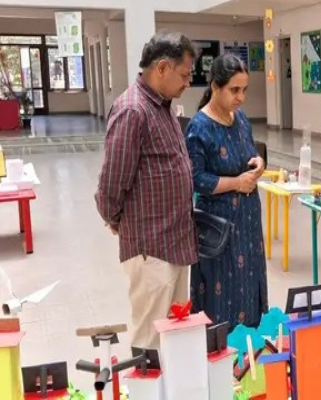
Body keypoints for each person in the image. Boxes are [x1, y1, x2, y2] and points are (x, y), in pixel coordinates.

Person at [95, 32, 197, 350]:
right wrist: (116, 219)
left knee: (175, 335)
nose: (188, 82)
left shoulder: (162, 107)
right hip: (151, 247)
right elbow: (112, 182)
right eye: (184, 75)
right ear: (162, 68)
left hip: (174, 241)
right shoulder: (133, 110)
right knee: (150, 340)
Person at [185, 53, 267, 329]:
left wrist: (259, 162)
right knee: (221, 297)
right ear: (215, 87)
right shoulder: (199, 127)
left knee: (249, 286)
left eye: (244, 90)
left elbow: (249, 153)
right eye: (234, 90)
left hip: (248, 224)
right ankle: (221, 350)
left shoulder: (240, 118)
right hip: (220, 228)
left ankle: (249, 349)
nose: (240, 97)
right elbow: (196, 179)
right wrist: (236, 183)